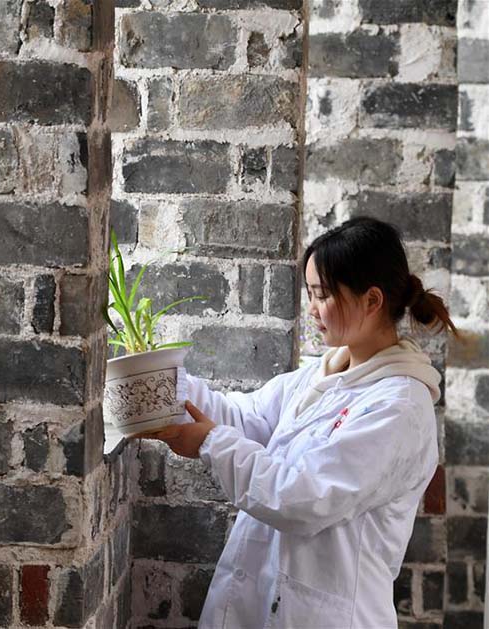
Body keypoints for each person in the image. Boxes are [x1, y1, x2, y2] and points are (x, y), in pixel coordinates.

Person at [137, 216, 461, 629]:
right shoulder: (321, 374)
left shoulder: (399, 408)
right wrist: (163, 381)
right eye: (310, 293)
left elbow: (302, 498)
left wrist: (210, 443)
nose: (312, 308)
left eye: (322, 295)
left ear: (372, 301)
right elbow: (246, 417)